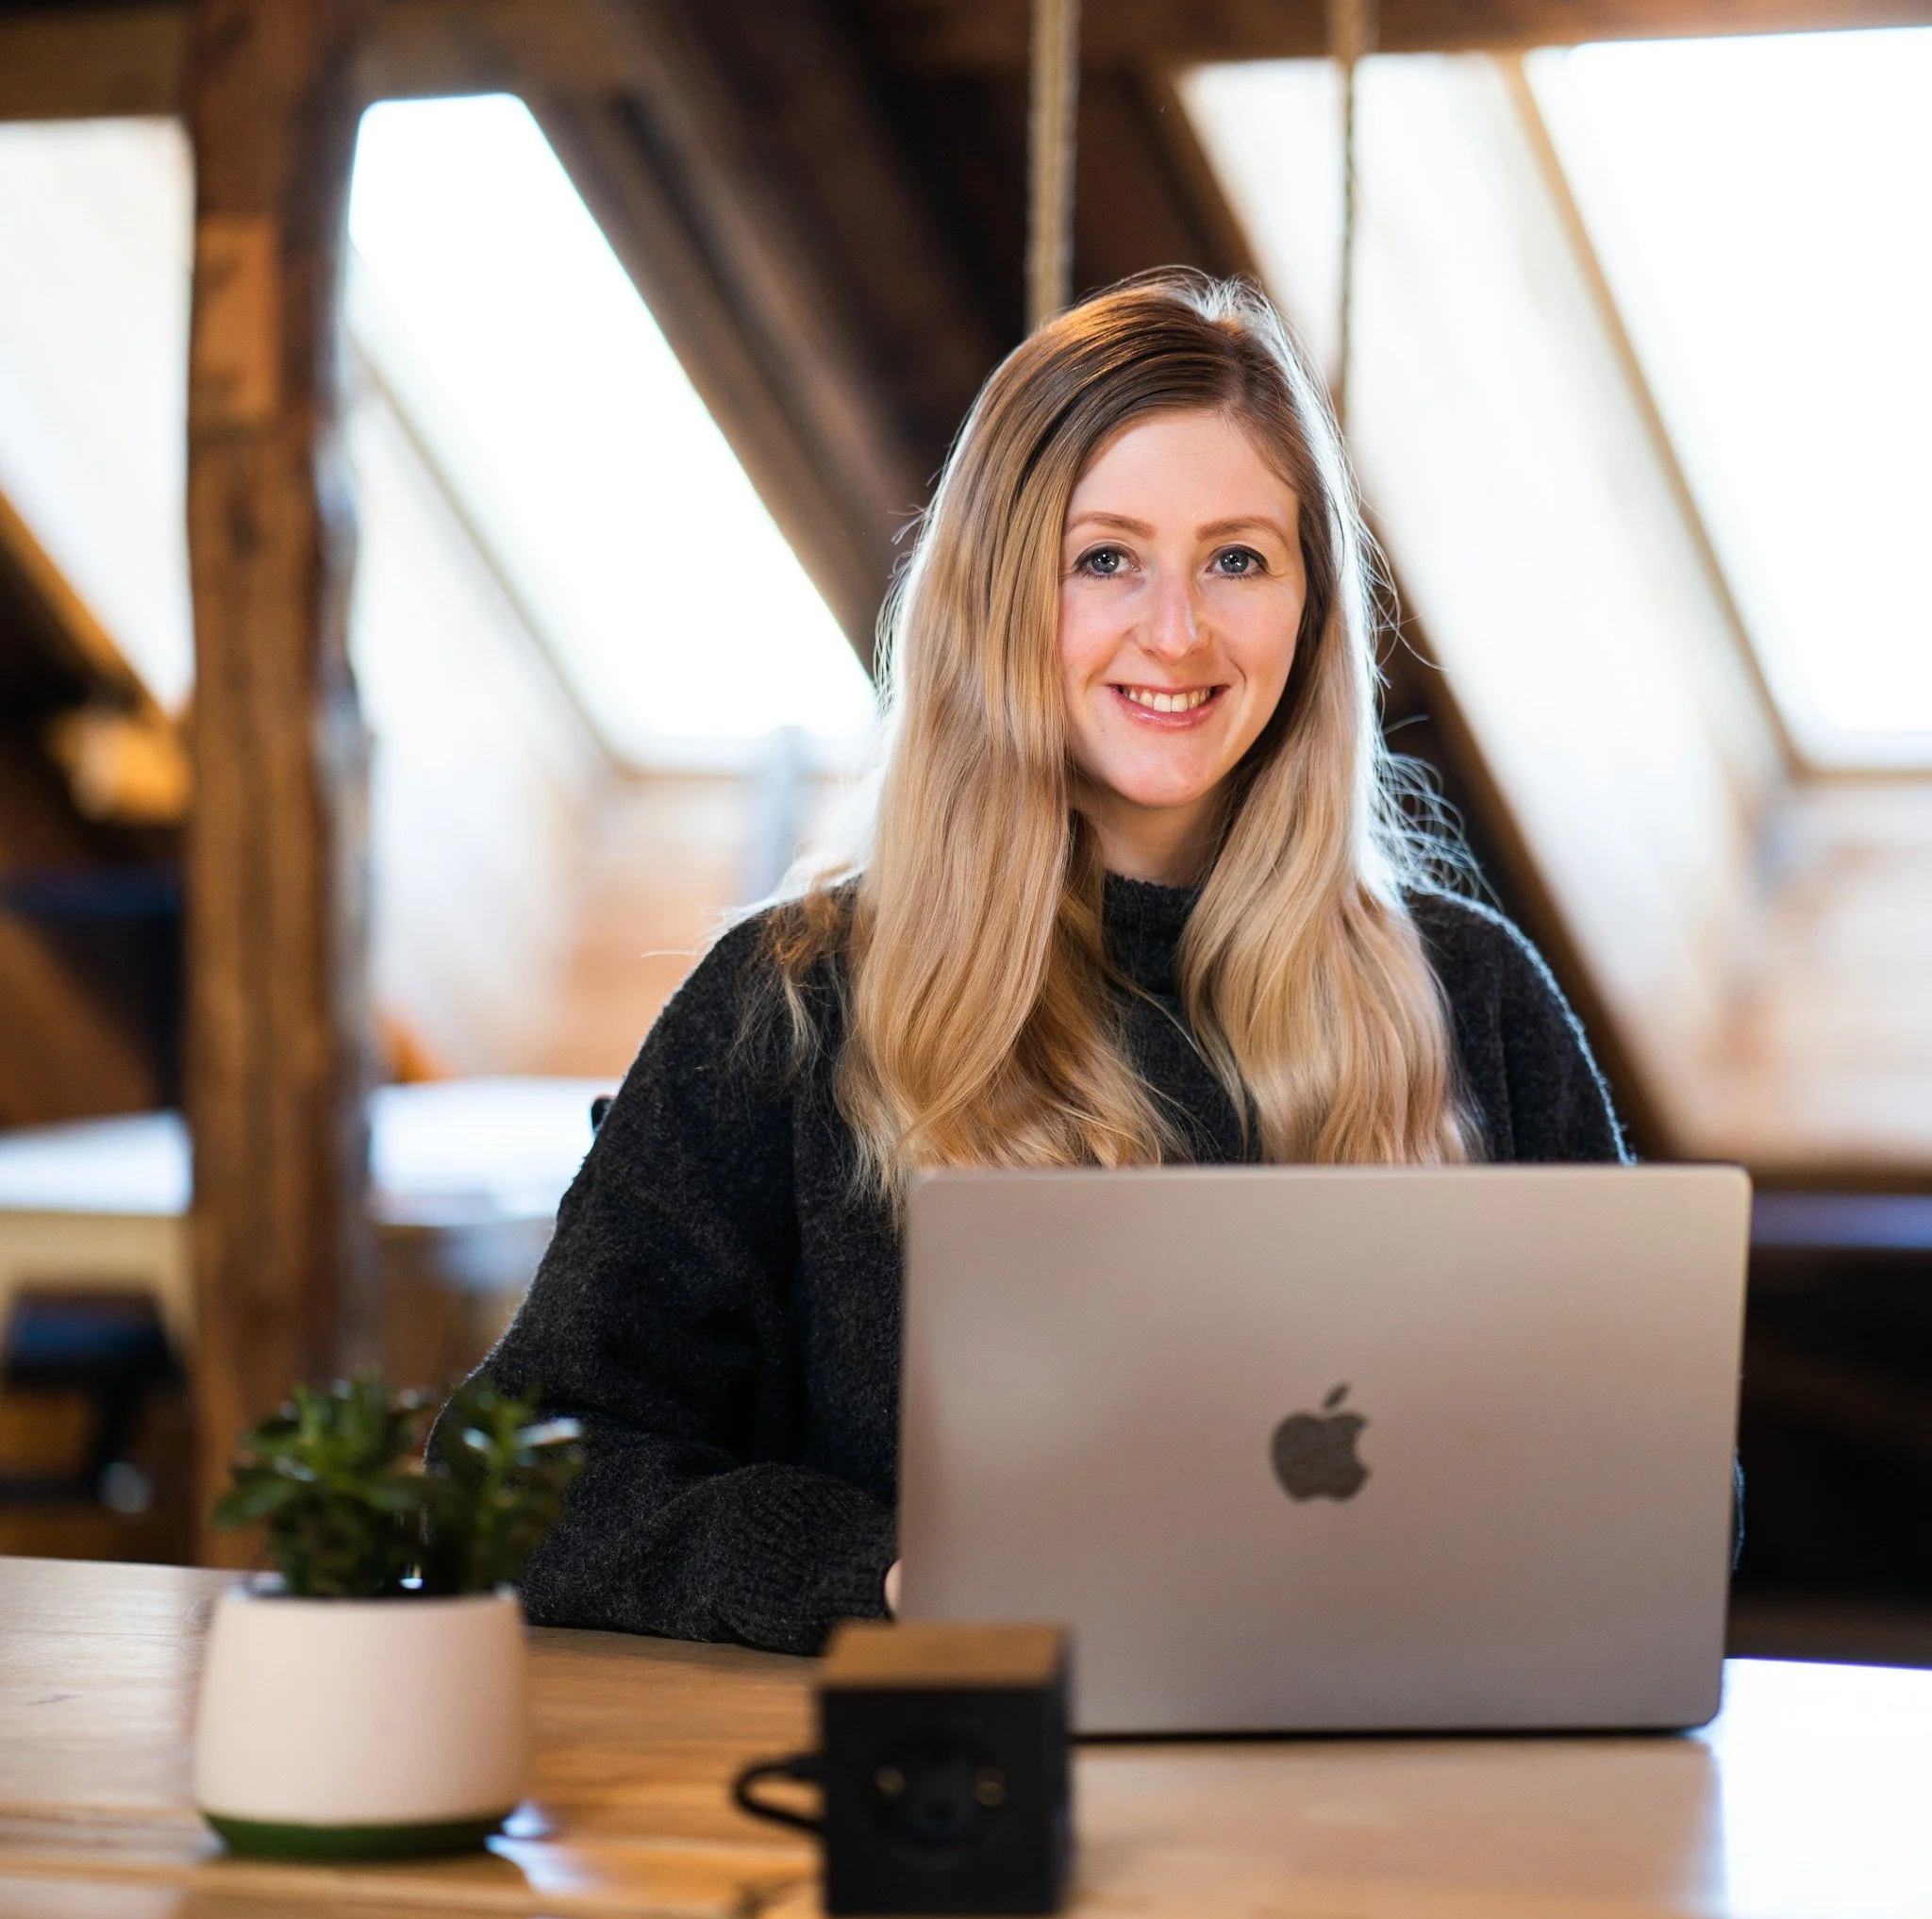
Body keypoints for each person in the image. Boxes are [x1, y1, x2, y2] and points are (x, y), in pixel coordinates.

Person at [463, 272, 1624, 1656]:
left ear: (1311, 607)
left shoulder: (1474, 995)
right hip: (966, 1792)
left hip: (1399, 1797)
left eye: (1239, 560)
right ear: (1000, 594)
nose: (1178, 632)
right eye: (1106, 558)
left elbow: (1664, 1488)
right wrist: (900, 1577)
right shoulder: (789, 1009)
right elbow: (521, 1478)